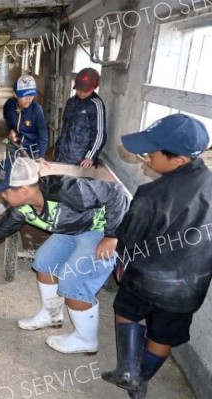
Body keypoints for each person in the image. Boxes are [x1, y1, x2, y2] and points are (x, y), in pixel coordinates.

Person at [0, 156, 130, 354]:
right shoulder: (21, 209)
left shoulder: (67, 189)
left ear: (25, 189)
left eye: (5, 190)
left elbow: (116, 194)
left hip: (101, 231)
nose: (2, 195)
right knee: (44, 262)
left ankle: (86, 339)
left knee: (72, 282)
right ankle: (51, 315)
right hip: (73, 230)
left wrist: (112, 236)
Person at [102, 114, 212, 399]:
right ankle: (141, 380)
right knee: (164, 334)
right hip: (188, 290)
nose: (147, 157)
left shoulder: (150, 194)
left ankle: (128, 370)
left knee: (126, 311)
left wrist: (120, 259)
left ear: (179, 159)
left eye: (152, 152)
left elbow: (128, 239)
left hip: (145, 279)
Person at [0, 75, 48, 216]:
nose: (29, 99)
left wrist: (40, 156)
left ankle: (29, 208)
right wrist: (10, 130)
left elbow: (43, 135)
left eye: (31, 95)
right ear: (15, 95)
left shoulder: (37, 110)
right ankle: (5, 203)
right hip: (14, 145)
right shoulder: (9, 105)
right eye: (24, 96)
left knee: (28, 180)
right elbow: (7, 120)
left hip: (31, 149)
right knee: (8, 175)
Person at [54, 68, 106, 168]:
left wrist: (90, 156)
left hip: (81, 160)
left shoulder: (95, 105)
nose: (81, 92)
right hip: (62, 155)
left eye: (85, 90)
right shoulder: (71, 101)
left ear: (94, 87)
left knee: (75, 183)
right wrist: (58, 147)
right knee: (59, 181)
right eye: (79, 89)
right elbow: (65, 128)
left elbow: (100, 134)